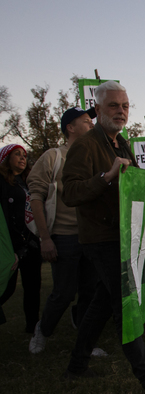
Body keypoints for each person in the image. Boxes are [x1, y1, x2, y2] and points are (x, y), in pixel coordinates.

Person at [61, 81, 145, 394]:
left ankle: (76, 366)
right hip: (99, 237)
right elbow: (70, 192)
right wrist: (106, 177)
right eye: (113, 106)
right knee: (125, 304)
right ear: (97, 110)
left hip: (122, 234)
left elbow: (133, 182)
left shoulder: (121, 143)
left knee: (103, 303)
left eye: (124, 106)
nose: (121, 111)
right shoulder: (85, 145)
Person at [27, 107, 103, 355]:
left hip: (91, 236)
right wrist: (45, 238)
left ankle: (85, 343)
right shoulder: (53, 156)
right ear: (70, 128)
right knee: (63, 293)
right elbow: (36, 196)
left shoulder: (95, 157)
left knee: (90, 293)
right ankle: (43, 330)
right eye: (85, 121)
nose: (91, 125)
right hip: (63, 236)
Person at [0, 144, 42, 333]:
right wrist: (14, 246)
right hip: (12, 245)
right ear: (5, 159)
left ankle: (32, 327)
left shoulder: (28, 183)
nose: (22, 158)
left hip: (32, 243)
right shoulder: (2, 183)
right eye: (17, 154)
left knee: (33, 287)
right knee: (7, 288)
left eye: (24, 155)